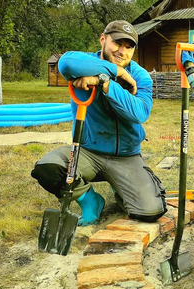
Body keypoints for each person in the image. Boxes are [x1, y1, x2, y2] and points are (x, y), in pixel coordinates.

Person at [31, 20, 167, 226]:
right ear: (103, 40)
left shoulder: (140, 76)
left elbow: (139, 113)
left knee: (150, 211)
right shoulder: (84, 63)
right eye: (117, 43)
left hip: (126, 157)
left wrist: (103, 82)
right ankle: (91, 201)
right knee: (48, 169)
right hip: (87, 152)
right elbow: (66, 63)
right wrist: (117, 72)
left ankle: (122, 191)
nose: (122, 51)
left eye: (128, 47)